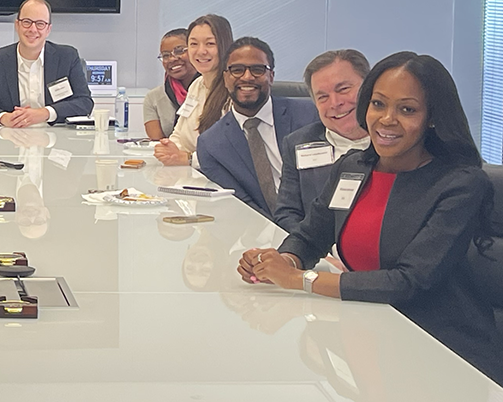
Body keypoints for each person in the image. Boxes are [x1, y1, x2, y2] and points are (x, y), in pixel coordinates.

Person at [239, 52, 501, 383]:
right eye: (378, 104)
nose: (387, 119)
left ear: (432, 117)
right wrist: (281, 261)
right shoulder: (352, 168)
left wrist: (298, 280)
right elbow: (311, 235)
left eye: (407, 109)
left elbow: (409, 281)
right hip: (366, 329)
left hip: (440, 350)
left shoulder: (460, 184)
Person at [196, 37, 317, 219]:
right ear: (225, 78)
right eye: (237, 70)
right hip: (264, 234)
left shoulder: (310, 116)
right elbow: (242, 206)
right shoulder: (211, 145)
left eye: (257, 69)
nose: (247, 77)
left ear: (271, 76)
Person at [273, 50, 372, 232]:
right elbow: (287, 214)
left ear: (370, 87)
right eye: (323, 97)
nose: (335, 103)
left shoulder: (397, 141)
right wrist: (315, 254)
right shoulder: (297, 144)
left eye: (343, 89)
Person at [0, 0, 93, 127]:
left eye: (40, 24)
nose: (33, 29)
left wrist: (45, 113)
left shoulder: (67, 57)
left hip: (57, 139)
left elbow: (85, 102)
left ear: (48, 29)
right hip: (11, 137)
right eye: (27, 22)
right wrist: (4, 118)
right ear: (17, 25)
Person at [155, 14, 234, 166]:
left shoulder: (235, 92)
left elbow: (231, 151)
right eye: (193, 44)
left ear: (224, 46)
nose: (201, 51)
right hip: (194, 174)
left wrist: (189, 159)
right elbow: (180, 132)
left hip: (221, 181)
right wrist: (171, 147)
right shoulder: (197, 85)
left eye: (210, 44)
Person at [142, 28, 199, 140]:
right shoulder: (153, 97)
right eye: (166, 55)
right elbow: (158, 143)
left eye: (179, 51)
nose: (172, 59)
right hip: (170, 155)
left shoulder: (210, 91)